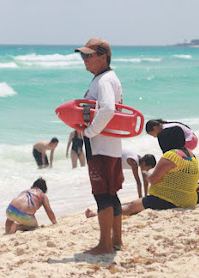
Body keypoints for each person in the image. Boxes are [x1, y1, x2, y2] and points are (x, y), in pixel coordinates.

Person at [75, 38, 124, 255]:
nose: (84, 60)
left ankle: (105, 245)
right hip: (111, 145)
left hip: (101, 147)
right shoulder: (108, 78)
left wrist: (89, 132)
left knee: (103, 196)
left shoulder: (104, 81)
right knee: (112, 195)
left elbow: (108, 109)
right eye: (82, 56)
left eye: (88, 55)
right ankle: (116, 241)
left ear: (103, 57)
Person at [115, 127, 199, 216]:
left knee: (132, 206)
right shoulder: (191, 154)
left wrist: (146, 173)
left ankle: (108, 214)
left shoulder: (171, 156)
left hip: (170, 199)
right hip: (190, 200)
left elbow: (153, 180)